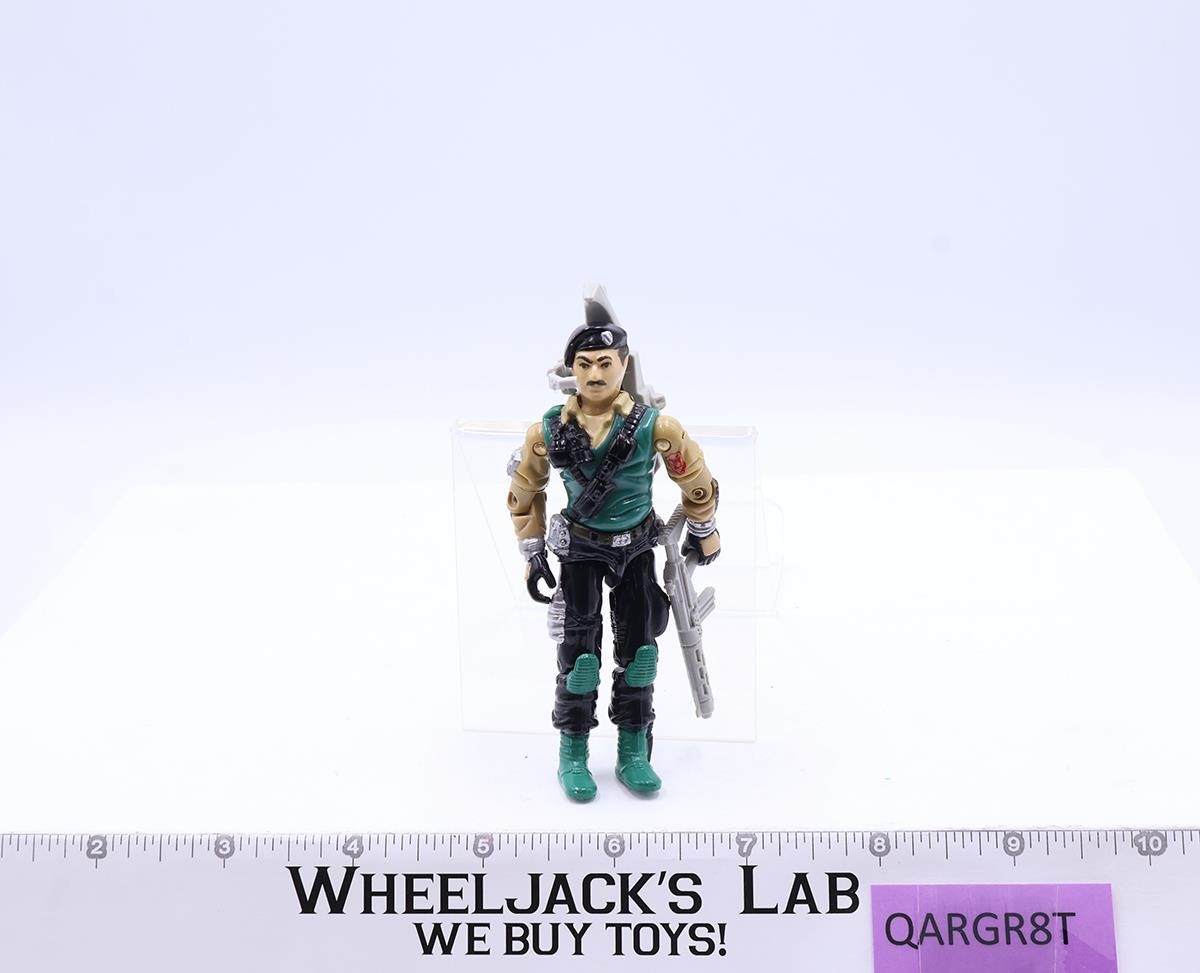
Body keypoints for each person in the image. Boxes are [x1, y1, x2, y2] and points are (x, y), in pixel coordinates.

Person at [506, 289, 720, 801]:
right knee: (580, 659)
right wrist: (532, 551)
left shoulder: (654, 426)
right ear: (571, 371)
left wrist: (703, 527)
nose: (596, 374)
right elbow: (524, 490)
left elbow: (694, 478)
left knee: (641, 653)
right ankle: (572, 753)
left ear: (624, 365)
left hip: (637, 548)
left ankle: (633, 751)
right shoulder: (548, 430)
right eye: (584, 364)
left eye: (606, 363)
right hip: (579, 552)